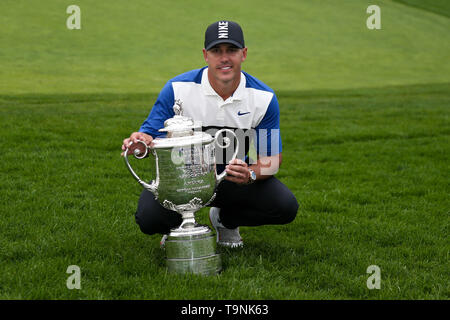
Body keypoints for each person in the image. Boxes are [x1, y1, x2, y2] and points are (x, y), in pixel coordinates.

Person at [122, 20, 299, 248]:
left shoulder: (263, 98)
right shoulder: (177, 88)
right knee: (149, 218)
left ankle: (224, 220)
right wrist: (139, 142)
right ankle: (179, 226)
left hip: (232, 182)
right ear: (205, 55)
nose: (224, 58)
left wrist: (250, 174)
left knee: (284, 206)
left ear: (243, 54)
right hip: (181, 182)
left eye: (232, 50)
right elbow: (148, 136)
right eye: (216, 51)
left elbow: (272, 160)